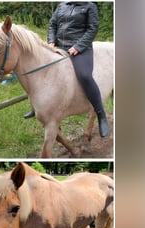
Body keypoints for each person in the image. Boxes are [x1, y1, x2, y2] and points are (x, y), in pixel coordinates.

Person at [23, 1, 109, 138]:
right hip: (59, 47)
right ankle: (35, 107)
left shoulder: (89, 6)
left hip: (80, 49)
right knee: (40, 73)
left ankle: (100, 114)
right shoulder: (62, 5)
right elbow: (53, 24)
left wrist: (78, 46)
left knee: (84, 75)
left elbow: (92, 29)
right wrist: (51, 41)